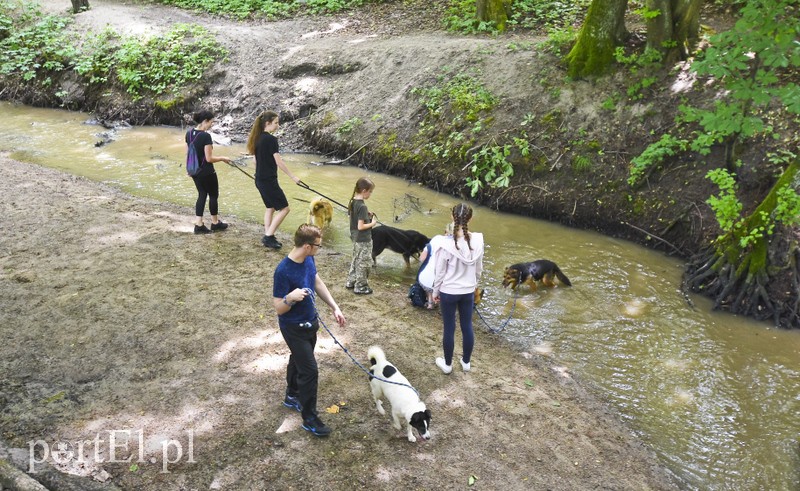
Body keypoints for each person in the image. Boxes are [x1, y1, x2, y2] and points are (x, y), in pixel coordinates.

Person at [272, 224, 346, 437]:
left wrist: (334, 307)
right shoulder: (283, 271)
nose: (319, 249)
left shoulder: (309, 259)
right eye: (318, 246)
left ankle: (292, 395)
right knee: (310, 371)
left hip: (310, 323)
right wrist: (290, 298)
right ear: (307, 246)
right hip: (292, 327)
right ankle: (310, 418)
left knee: (298, 360)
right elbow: (279, 308)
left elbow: (316, 281)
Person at [432, 203, 484, 374]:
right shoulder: (478, 241)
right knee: (467, 325)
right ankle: (466, 362)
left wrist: (435, 291)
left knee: (449, 327)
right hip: (467, 291)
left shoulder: (445, 244)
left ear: (451, 217)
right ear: (471, 218)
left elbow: (440, 272)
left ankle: (447, 365)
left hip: (448, 291)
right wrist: (474, 284)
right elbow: (479, 268)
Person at [246, 111, 301, 249]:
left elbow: (255, 161)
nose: (278, 125)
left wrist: (260, 172)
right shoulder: (271, 140)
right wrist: (293, 176)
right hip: (268, 180)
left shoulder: (256, 138)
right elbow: (279, 162)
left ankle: (268, 233)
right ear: (267, 123)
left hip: (259, 179)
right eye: (276, 122)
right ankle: (269, 236)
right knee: (285, 209)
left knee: (270, 208)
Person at [186, 110, 232, 234]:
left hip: (195, 171)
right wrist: (223, 158)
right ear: (205, 121)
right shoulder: (205, 136)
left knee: (201, 194)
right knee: (213, 195)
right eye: (211, 122)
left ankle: (199, 224)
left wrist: (189, 169)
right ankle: (215, 223)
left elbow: (188, 153)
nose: (212, 125)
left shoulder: (189, 133)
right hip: (207, 171)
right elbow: (209, 158)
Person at [346, 177, 377, 295]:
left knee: (356, 259)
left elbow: (352, 218)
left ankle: (351, 281)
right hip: (363, 239)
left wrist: (366, 215)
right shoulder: (362, 206)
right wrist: (373, 223)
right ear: (364, 191)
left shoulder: (353, 201)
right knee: (364, 263)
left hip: (355, 237)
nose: (370, 194)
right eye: (370, 192)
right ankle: (361, 286)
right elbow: (361, 226)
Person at [417, 222, 454, 309]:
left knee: (429, 281)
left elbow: (421, 259)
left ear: (445, 231)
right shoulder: (460, 245)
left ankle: (430, 302)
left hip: (424, 280)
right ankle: (438, 301)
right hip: (445, 287)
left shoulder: (437, 238)